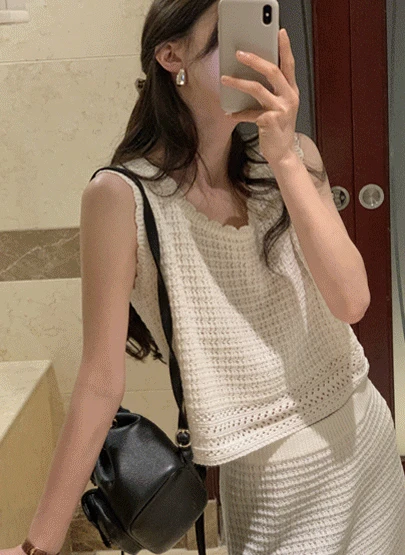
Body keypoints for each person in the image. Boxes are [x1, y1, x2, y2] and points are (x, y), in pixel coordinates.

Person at [3, 1, 405, 554]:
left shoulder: (292, 160)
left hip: (365, 445)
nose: (253, 55)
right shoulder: (121, 197)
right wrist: (39, 547)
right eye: (228, 35)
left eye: (260, 31)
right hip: (267, 485)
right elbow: (99, 382)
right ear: (172, 57)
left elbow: (352, 301)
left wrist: (286, 157)